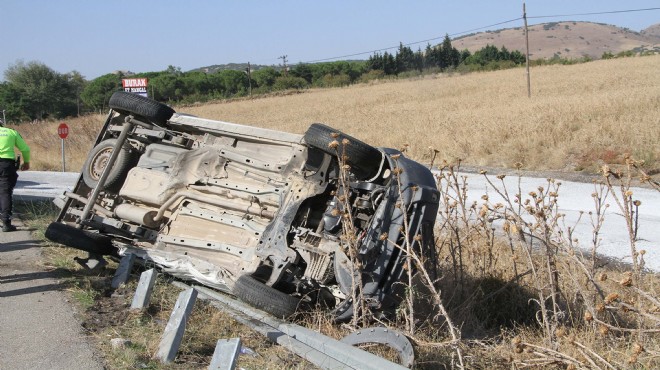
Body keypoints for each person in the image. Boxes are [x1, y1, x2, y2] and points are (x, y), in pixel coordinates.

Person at [0, 119, 31, 232]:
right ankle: (6, 223)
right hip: (6, 165)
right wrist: (26, 162)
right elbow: (25, 149)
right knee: (5, 192)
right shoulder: (11, 132)